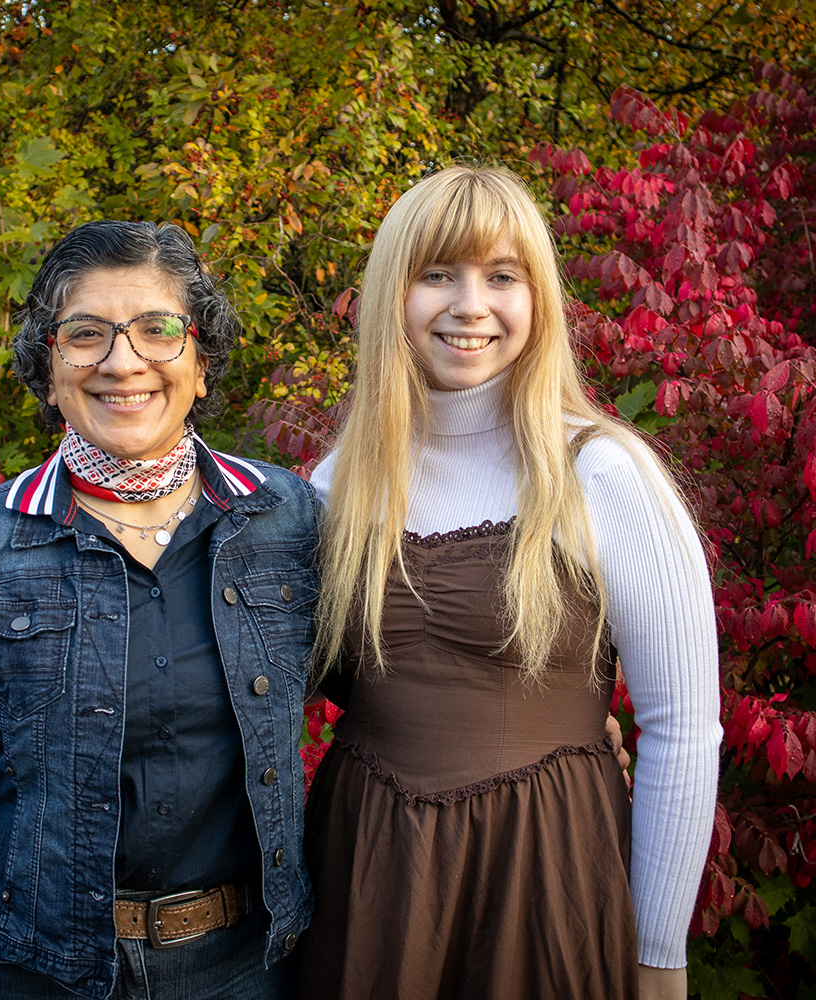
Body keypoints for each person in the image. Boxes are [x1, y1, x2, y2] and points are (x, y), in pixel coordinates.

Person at [297, 166, 722, 1000]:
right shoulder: (334, 484)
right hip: (369, 876)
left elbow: (683, 729)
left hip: (543, 874)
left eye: (501, 276)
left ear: (539, 297)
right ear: (393, 292)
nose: (469, 304)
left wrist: (660, 954)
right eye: (437, 275)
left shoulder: (602, 472)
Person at [0, 221, 319, 1000]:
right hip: (36, 971)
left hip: (245, 968)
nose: (122, 362)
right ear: (49, 367)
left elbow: (389, 688)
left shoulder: (285, 518)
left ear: (200, 361)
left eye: (157, 330)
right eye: (86, 334)